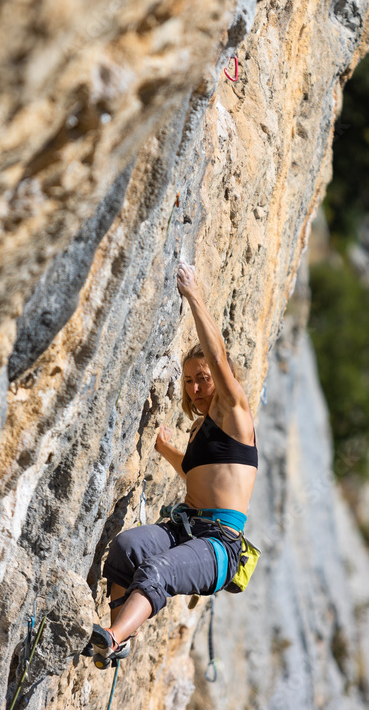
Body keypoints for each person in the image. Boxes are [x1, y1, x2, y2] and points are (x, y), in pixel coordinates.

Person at [90, 262, 258, 669]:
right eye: (188, 381)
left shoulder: (236, 412)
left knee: (158, 570)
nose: (196, 387)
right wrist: (164, 447)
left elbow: (217, 356)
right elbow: (198, 477)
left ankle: (113, 637)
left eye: (202, 378)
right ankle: (120, 639)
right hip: (187, 528)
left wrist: (194, 295)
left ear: (221, 379)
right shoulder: (204, 431)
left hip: (219, 546)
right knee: (126, 550)